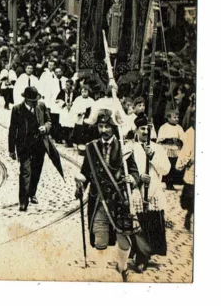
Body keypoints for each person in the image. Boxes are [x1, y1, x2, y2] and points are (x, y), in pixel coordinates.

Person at [74, 110, 140, 281]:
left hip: (119, 201)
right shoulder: (91, 148)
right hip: (99, 201)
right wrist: (81, 183)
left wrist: (131, 178)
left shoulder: (124, 149)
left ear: (113, 128)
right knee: (99, 238)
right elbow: (86, 173)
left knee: (123, 239)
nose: (103, 130)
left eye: (107, 127)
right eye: (101, 126)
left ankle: (122, 267)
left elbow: (134, 172)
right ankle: (102, 274)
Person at [129, 113, 171, 273]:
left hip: (153, 190)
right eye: (142, 129)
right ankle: (140, 256)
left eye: (147, 129)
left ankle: (147, 254)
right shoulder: (130, 148)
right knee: (138, 223)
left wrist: (152, 156)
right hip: (137, 191)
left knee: (152, 223)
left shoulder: (157, 148)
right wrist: (139, 178)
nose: (145, 132)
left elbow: (165, 169)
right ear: (137, 130)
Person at [8, 86, 52, 211]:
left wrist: (45, 127)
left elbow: (49, 121)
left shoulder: (41, 106)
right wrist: (11, 149)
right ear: (26, 100)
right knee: (25, 172)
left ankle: (32, 193)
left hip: (39, 145)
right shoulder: (17, 109)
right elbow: (12, 130)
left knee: (36, 171)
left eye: (36, 100)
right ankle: (23, 201)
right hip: (24, 145)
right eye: (33, 101)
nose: (35, 102)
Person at [157, 109, 186, 190]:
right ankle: (167, 182)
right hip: (166, 150)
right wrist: (168, 139)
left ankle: (173, 182)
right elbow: (159, 139)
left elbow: (183, 139)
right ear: (168, 118)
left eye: (177, 117)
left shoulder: (179, 128)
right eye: (174, 117)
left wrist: (178, 140)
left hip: (176, 151)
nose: (177, 119)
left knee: (174, 167)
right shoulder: (164, 127)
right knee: (167, 166)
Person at [176, 120, 195, 231]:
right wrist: (184, 162)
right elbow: (186, 149)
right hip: (192, 167)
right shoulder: (190, 133)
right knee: (189, 194)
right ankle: (189, 213)